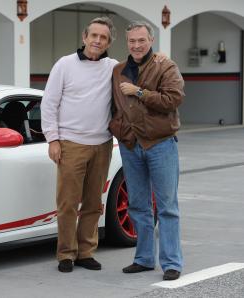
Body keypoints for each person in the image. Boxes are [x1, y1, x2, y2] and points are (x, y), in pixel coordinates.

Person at [109, 21, 184, 281]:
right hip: (131, 146)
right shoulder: (118, 70)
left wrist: (140, 92)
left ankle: (172, 263)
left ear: (151, 40)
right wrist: (116, 128)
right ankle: (143, 259)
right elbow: (113, 105)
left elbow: (173, 100)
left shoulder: (166, 66)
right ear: (127, 43)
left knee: (167, 208)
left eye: (141, 40)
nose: (137, 45)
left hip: (160, 144)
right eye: (132, 41)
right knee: (138, 206)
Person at [41, 17, 117, 273]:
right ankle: (65, 254)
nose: (97, 41)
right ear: (84, 37)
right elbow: (49, 103)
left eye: (103, 37)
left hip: (103, 144)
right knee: (68, 203)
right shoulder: (65, 65)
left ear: (109, 42)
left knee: (94, 203)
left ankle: (86, 252)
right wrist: (53, 139)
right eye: (93, 35)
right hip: (71, 143)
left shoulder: (113, 67)